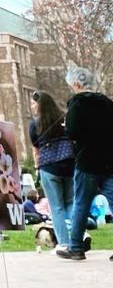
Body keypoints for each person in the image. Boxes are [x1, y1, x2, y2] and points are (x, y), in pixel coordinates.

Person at [59, 66, 113, 261]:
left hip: (87, 160)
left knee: (81, 203)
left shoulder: (76, 105)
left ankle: (76, 247)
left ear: (76, 84)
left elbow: (72, 133)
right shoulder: (109, 104)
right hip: (110, 160)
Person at [29, 90, 75, 247]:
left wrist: (37, 168)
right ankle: (78, 240)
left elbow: (36, 150)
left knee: (56, 207)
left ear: (40, 104)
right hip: (69, 165)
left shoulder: (36, 124)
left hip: (49, 167)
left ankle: (63, 243)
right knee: (70, 203)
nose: (32, 106)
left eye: (34, 103)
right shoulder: (65, 118)